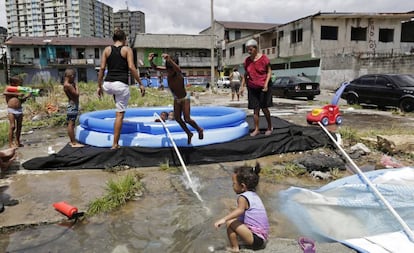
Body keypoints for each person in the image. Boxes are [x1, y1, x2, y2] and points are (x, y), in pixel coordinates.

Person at [97, 28, 145, 149]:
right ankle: (115, 144)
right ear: (124, 39)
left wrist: (99, 86)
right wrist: (140, 83)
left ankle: (117, 105)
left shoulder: (107, 50)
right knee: (119, 115)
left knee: (116, 95)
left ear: (113, 39)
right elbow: (131, 67)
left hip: (107, 84)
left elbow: (102, 68)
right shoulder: (127, 49)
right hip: (120, 84)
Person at [149, 53, 203, 144]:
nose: (168, 72)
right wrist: (151, 61)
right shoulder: (168, 70)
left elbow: (178, 69)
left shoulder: (178, 73)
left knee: (187, 119)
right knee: (177, 118)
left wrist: (169, 60)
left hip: (185, 98)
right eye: (168, 69)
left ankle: (199, 129)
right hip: (176, 99)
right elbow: (155, 67)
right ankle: (189, 133)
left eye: (170, 69)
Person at [214, 163, 269, 252]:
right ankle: (241, 241)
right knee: (236, 219)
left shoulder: (243, 197)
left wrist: (223, 219)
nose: (232, 186)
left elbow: (240, 210)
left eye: (234, 183)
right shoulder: (254, 196)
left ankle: (235, 248)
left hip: (256, 239)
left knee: (230, 222)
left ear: (243, 186)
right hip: (262, 237)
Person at [240, 39, 273, 137]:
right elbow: (246, 74)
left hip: (263, 87)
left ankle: (269, 126)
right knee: (255, 109)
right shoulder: (247, 61)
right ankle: (257, 129)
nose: (249, 52)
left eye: (250, 49)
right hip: (252, 87)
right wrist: (242, 86)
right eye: (247, 50)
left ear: (255, 48)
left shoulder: (264, 59)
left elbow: (269, 72)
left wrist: (266, 84)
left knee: (264, 107)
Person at [3, 76, 31, 148]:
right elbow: (4, 93)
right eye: (19, 83)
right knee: (12, 126)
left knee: (19, 126)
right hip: (11, 110)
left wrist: (27, 97)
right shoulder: (8, 88)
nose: (20, 84)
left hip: (19, 110)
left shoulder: (18, 90)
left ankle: (17, 141)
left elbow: (20, 101)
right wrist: (17, 94)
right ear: (13, 83)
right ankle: (10, 143)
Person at [63, 68, 84, 148]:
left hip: (71, 104)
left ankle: (72, 141)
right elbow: (76, 95)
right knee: (71, 124)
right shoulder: (68, 85)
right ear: (70, 76)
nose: (74, 78)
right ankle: (73, 142)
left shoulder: (66, 84)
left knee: (71, 123)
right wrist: (77, 87)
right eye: (74, 76)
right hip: (73, 105)